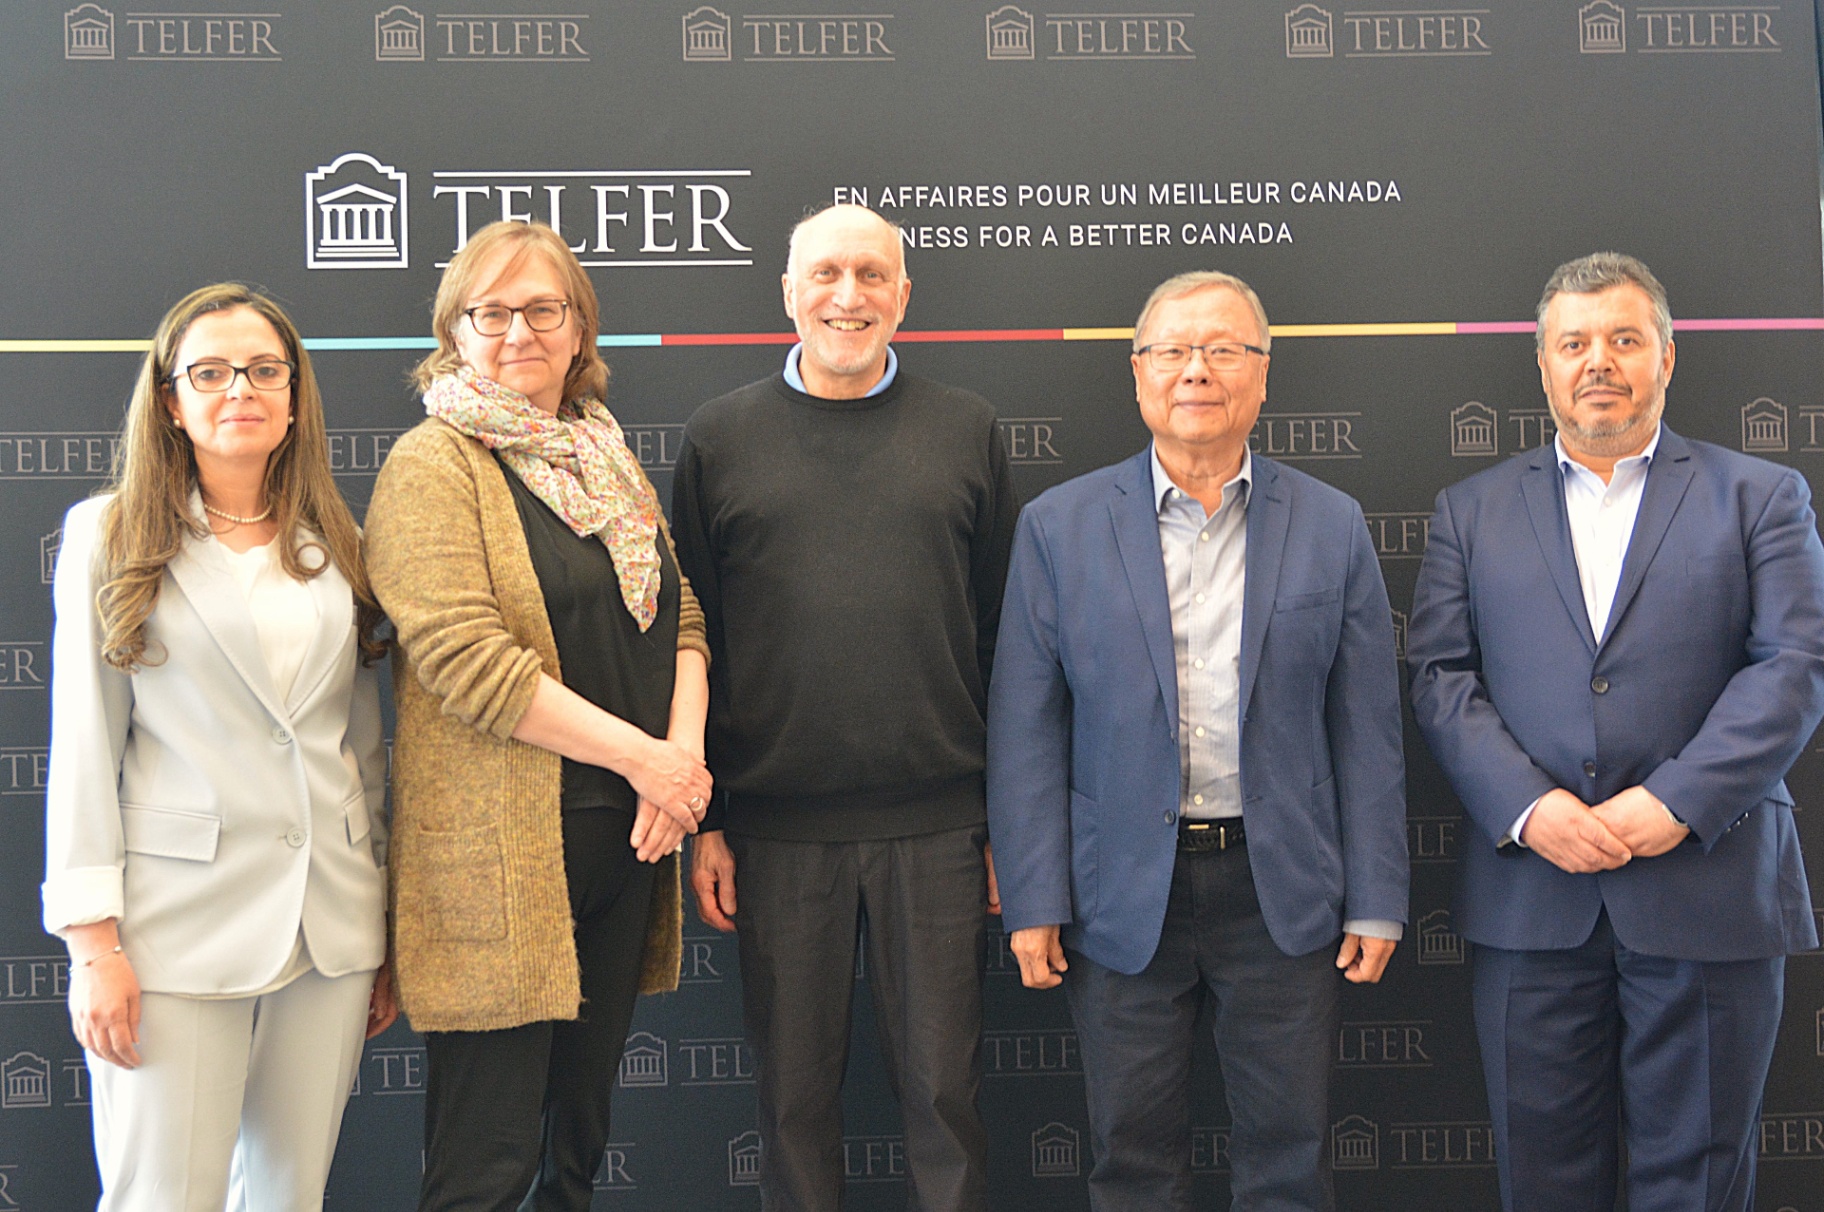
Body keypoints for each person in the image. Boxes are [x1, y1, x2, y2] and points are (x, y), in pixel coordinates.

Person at [1406, 252, 1824, 1212]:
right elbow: (1438, 676)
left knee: (1701, 1180)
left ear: (1667, 358)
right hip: (1531, 896)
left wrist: (1675, 803)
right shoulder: (1470, 512)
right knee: (1543, 1181)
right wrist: (1528, 808)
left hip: (1710, 891)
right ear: (1543, 366)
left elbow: (1794, 666)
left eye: (1625, 339)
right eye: (1575, 343)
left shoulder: (1761, 497)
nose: (1600, 361)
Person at [986, 270, 1409, 1212]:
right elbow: (1026, 728)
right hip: (1119, 894)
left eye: (1223, 350)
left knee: (1289, 1160)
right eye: (1173, 351)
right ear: (1137, 375)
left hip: (1283, 890)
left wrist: (1378, 898)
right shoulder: (1058, 527)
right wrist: (1031, 896)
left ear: (1262, 375)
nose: (1197, 371)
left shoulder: (1332, 525)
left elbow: (1368, 731)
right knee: (1131, 1161)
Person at [670, 202, 1016, 1211]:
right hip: (778, 835)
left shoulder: (969, 431)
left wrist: (1006, 818)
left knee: (946, 1099)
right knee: (791, 1106)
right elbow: (697, 643)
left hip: (943, 829)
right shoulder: (717, 438)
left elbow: (1004, 640)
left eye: (872, 275)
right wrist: (717, 820)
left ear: (904, 296)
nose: (848, 295)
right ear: (788, 293)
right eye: (826, 274)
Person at [363, 220, 713, 1211]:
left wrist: (679, 767)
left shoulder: (604, 455)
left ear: (578, 329)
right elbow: (469, 662)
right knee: (486, 1168)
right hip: (498, 868)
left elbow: (681, 617)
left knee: (575, 1158)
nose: (519, 330)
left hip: (628, 849)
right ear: (457, 331)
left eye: (542, 308)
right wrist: (650, 760)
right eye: (492, 311)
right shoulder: (432, 465)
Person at [43, 282, 394, 1210]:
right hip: (172, 933)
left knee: (288, 1199)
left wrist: (383, 921)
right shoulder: (107, 536)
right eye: (210, 371)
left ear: (293, 394)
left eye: (264, 370)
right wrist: (91, 946)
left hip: (330, 928)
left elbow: (361, 745)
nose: (240, 388)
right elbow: (83, 747)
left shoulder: (339, 541)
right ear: (170, 399)